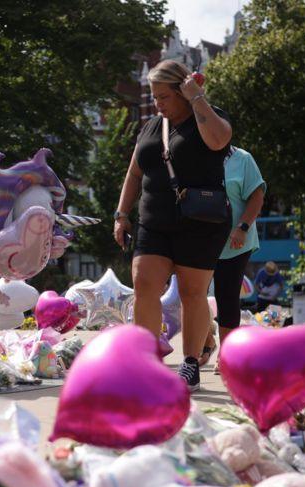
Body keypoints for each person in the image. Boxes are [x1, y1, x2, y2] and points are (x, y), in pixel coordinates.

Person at [112, 59, 233, 391]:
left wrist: (196, 98)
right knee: (144, 283)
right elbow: (134, 173)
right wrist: (121, 214)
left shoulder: (208, 116)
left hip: (200, 222)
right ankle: (147, 359)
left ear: (182, 90)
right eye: (154, 96)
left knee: (193, 293)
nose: (157, 103)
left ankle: (191, 362)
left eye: (163, 96)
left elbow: (220, 140)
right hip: (154, 222)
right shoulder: (153, 126)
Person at [206, 146, 265, 355]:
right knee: (191, 295)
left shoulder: (242, 159)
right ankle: (205, 344)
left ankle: (228, 355)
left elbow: (257, 196)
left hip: (235, 242)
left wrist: (242, 227)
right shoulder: (192, 153)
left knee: (227, 297)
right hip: (200, 239)